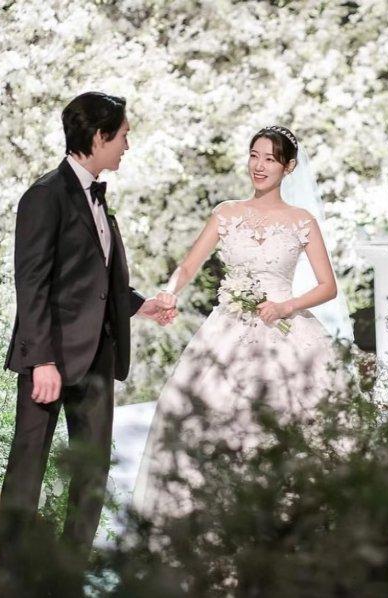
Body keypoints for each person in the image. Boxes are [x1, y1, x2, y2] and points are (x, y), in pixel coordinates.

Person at [132, 125, 351, 519]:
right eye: (254, 155)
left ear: (288, 167)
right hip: (226, 331)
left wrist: (286, 307)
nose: (259, 166)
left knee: (292, 419)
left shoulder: (302, 221)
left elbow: (328, 286)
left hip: (285, 329)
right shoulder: (227, 213)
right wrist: (169, 291)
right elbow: (188, 266)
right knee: (208, 415)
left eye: (270, 158)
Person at [0, 91, 176, 575]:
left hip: (98, 356)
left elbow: (98, 280)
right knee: (28, 467)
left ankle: (70, 573)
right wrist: (42, 361)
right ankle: (12, 576)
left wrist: (142, 306)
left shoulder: (98, 196)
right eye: (123, 136)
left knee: (93, 472)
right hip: (49, 359)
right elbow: (31, 283)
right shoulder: (44, 196)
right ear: (99, 137)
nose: (127, 146)